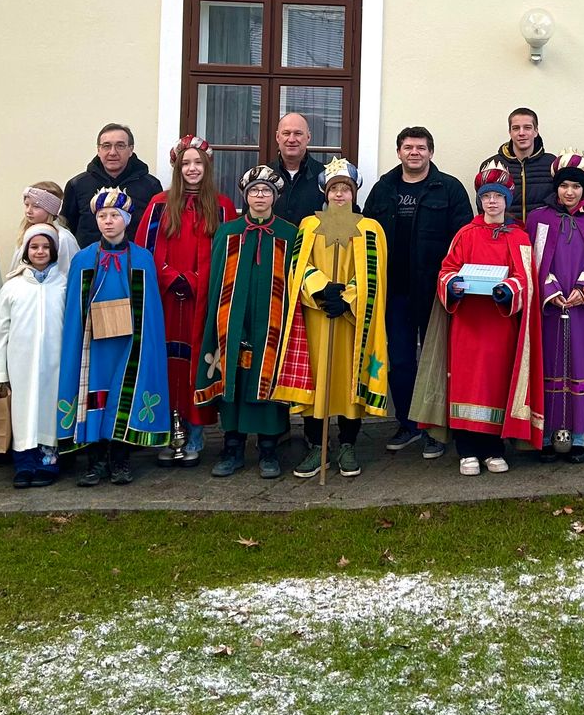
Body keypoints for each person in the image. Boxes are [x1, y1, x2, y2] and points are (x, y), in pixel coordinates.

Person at [415, 160, 543, 476]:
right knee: (467, 384)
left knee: (496, 384)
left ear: (507, 200)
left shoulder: (519, 237)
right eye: (486, 196)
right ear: (480, 200)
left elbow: (525, 279)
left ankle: (493, 449)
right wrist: (453, 285)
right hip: (468, 324)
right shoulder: (465, 234)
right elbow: (446, 270)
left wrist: (507, 289)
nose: (492, 202)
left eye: (498, 196)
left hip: (500, 324)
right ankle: (467, 450)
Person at [272, 159, 390, 479]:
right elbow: (298, 266)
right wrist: (323, 290)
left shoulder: (370, 228)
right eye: (334, 189)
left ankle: (348, 444)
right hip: (317, 315)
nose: (340, 194)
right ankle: (317, 445)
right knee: (318, 380)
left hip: (352, 320)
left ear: (354, 193)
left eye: (345, 189)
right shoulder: (310, 225)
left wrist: (348, 297)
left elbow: (375, 275)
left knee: (348, 379)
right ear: (325, 192)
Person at [363, 126, 472, 459]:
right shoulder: (383, 189)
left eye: (421, 148)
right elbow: (367, 235)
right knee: (400, 361)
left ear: (431, 152)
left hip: (434, 292)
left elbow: (463, 241)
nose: (414, 153)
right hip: (394, 292)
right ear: (399, 152)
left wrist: (454, 284)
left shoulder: (449, 189)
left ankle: (435, 429)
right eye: (408, 147)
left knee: (436, 360)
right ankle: (408, 424)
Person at [57, 188, 170, 486]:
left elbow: (151, 310)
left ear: (127, 220)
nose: (108, 221)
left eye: (114, 216)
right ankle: (95, 462)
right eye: (102, 216)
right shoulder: (83, 259)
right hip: (94, 344)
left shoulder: (143, 258)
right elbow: (75, 310)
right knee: (95, 395)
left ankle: (120, 461)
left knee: (123, 394)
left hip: (130, 343)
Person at [135, 136, 237, 467]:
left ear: (207, 167)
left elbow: (227, 256)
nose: (192, 169)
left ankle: (194, 434)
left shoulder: (222, 206)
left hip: (202, 301)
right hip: (165, 300)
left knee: (197, 364)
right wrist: (169, 277)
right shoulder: (159, 204)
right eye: (186, 164)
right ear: (177, 168)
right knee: (166, 364)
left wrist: (194, 280)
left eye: (198, 163)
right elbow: (145, 251)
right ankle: (166, 432)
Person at [195, 166, 301, 479]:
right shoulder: (228, 233)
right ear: (246, 195)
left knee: (266, 377)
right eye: (254, 190)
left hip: (272, 322)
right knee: (235, 378)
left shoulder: (289, 233)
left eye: (266, 191)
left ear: (275, 197)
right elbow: (216, 282)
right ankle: (233, 448)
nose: (260, 196)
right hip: (232, 322)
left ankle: (269, 449)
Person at [526, 150, 584, 463]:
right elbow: (531, 260)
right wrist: (550, 290)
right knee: (547, 366)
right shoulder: (538, 219)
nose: (570, 192)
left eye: (576, 186)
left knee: (580, 365)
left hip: (583, 311)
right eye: (564, 186)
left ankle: (577, 437)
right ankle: (545, 435)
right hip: (547, 310)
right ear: (556, 188)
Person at [0, 224, 66, 487]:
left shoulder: (64, 284)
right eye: (34, 246)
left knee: (49, 410)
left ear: (54, 250)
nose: (40, 251)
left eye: (46, 247)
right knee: (23, 411)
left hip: (54, 361)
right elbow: (1, 330)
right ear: (25, 250)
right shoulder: (13, 287)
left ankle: (48, 461)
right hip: (20, 362)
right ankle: (24, 463)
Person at [62, 124, 163, 247]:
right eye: (106, 146)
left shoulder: (151, 186)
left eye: (120, 146)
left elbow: (157, 231)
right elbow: (67, 229)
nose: (113, 152)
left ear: (131, 149)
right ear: (98, 150)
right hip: (89, 258)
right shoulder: (77, 185)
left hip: (135, 257)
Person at [486, 107, 555, 224]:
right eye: (516, 128)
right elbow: (483, 205)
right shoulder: (493, 165)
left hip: (543, 231)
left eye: (527, 127)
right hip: (505, 232)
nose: (521, 133)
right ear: (510, 132)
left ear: (536, 131)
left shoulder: (552, 164)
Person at [8, 182, 80, 274]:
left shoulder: (63, 238)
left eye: (36, 206)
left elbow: (69, 271)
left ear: (50, 209)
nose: (28, 211)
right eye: (27, 205)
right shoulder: (26, 233)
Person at [270, 112, 327, 226]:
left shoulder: (326, 176)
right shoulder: (262, 176)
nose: (291, 139)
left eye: (298, 133)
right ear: (277, 137)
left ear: (308, 137)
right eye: (286, 133)